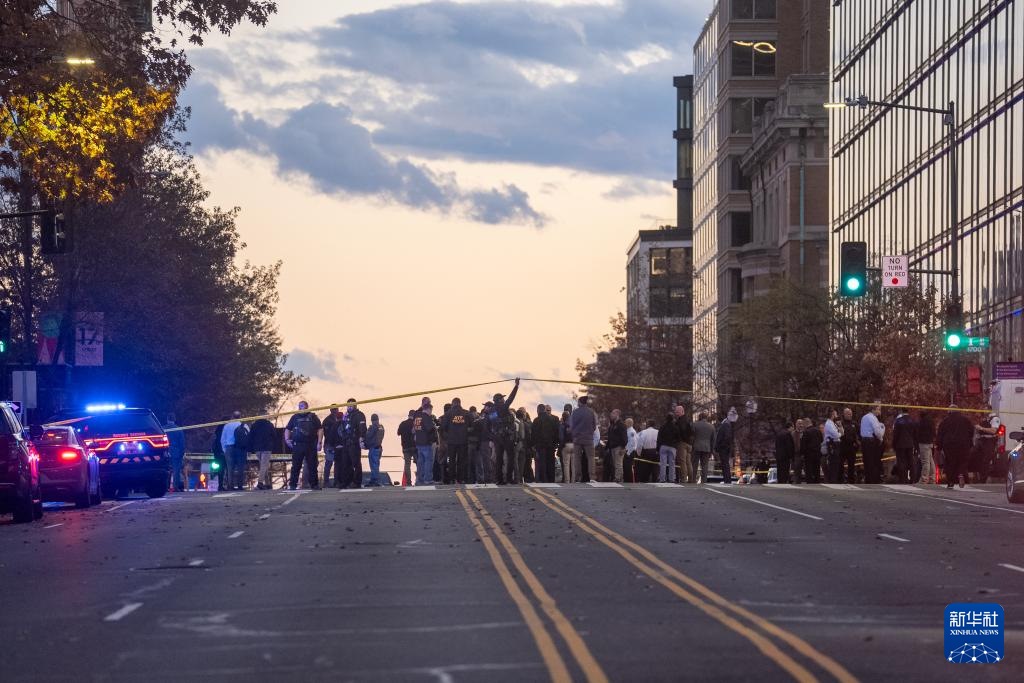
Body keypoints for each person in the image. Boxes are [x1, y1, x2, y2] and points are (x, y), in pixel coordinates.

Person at [483, 379, 521, 485]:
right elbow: (511, 398)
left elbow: (486, 427)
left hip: (497, 438)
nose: (504, 400)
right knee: (510, 458)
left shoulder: (491, 412)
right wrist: (516, 386)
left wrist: (492, 437)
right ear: (500, 400)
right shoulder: (503, 407)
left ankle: (499, 479)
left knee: (499, 459)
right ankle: (509, 478)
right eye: (502, 398)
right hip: (507, 437)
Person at [285, 401, 322, 490]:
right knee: (296, 466)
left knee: (312, 466)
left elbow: (320, 429)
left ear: (307, 406)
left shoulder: (313, 416)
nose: (301, 407)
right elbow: (288, 429)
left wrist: (319, 442)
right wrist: (287, 440)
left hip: (310, 445)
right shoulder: (295, 417)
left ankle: (314, 484)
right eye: (300, 406)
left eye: (303, 406)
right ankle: (292, 485)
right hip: (298, 445)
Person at [936, 405, 974, 488]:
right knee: (963, 461)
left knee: (950, 463)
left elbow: (940, 434)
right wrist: (969, 441)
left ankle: (950, 481)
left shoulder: (945, 421)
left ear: (949, 412)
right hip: (964, 444)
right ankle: (961, 474)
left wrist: (939, 446)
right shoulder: (966, 420)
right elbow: (972, 431)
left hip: (949, 445)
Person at [336, 400, 367, 489]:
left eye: (351, 405)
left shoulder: (359, 415)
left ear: (355, 406)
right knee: (346, 463)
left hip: (354, 442)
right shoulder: (346, 416)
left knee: (356, 463)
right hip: (346, 442)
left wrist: (361, 439)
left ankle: (357, 482)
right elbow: (342, 427)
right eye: (348, 406)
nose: (349, 407)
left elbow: (362, 428)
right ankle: (346, 482)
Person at [440, 398, 472, 484]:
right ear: (460, 403)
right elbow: (472, 426)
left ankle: (451, 479)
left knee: (450, 460)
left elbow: (443, 427)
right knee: (462, 461)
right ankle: (461, 479)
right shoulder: (466, 413)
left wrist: (446, 437)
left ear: (453, 404)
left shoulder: (448, 414)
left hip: (451, 442)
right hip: (463, 441)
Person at [570, 396, 598, 483]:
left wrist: (574, 434)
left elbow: (571, 426)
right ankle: (592, 477)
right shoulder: (591, 412)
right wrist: (590, 432)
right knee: (591, 458)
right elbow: (594, 425)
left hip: (577, 438)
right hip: (588, 438)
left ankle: (578, 478)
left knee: (577, 459)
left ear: (580, 402)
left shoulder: (575, 412)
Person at [532, 403, 560, 483]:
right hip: (551, 444)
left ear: (538, 410)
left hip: (540, 445)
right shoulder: (553, 419)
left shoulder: (536, 420)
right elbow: (556, 431)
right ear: (544, 410)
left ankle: (543, 479)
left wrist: (533, 444)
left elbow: (534, 434)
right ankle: (551, 479)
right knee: (550, 462)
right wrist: (556, 443)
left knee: (542, 462)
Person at [248, 413, 276, 490]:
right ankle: (260, 483)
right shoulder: (269, 424)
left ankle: (267, 483)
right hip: (267, 447)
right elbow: (274, 435)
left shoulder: (254, 425)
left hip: (257, 448)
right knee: (264, 465)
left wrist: (250, 449)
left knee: (263, 465)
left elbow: (250, 437)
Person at [221, 411, 248, 490]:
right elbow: (248, 437)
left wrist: (224, 449)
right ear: (240, 416)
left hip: (229, 447)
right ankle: (240, 485)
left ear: (232, 416)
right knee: (240, 467)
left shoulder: (227, 425)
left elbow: (222, 439)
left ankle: (230, 485)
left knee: (230, 468)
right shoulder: (244, 425)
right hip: (241, 448)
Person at [860, 403, 885, 484]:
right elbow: (878, 433)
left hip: (864, 441)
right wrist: (883, 429)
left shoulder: (864, 417)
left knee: (866, 462)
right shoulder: (873, 418)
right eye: (878, 409)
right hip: (871, 442)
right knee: (873, 462)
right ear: (873, 409)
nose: (879, 411)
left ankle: (868, 480)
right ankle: (873, 481)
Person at [413, 401, 437, 485]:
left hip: (419, 443)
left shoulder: (417, 417)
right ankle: (428, 479)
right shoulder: (426, 417)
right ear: (429, 409)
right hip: (426, 442)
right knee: (428, 461)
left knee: (420, 462)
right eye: (431, 410)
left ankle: (420, 479)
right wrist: (434, 428)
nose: (431, 412)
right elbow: (430, 428)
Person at [971, 414, 1000, 483]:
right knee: (977, 459)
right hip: (981, 441)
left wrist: (981, 428)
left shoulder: (995, 419)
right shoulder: (984, 419)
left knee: (985, 461)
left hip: (989, 442)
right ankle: (977, 477)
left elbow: (993, 431)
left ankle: (983, 479)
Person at [891, 409, 917, 485]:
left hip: (900, 444)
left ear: (901, 412)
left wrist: (894, 444)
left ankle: (903, 479)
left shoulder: (898, 421)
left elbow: (895, 434)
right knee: (911, 461)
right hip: (910, 444)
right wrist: (915, 444)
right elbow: (915, 434)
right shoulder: (912, 421)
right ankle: (912, 478)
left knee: (901, 461)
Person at [321, 407, 342, 487]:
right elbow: (324, 432)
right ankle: (327, 482)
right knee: (330, 463)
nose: (335, 411)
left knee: (336, 464)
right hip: (330, 445)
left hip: (333, 445)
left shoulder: (329, 420)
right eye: (334, 410)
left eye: (336, 409)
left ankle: (336, 481)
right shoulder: (327, 421)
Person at [691, 412, 715, 484]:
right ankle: (703, 481)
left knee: (694, 464)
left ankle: (693, 480)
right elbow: (713, 440)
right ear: (706, 418)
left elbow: (692, 437)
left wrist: (692, 446)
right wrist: (711, 451)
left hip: (696, 447)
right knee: (705, 465)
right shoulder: (711, 427)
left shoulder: (695, 425)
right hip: (707, 448)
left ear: (700, 417)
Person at [165, 414, 186, 492]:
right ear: (175, 419)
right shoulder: (179, 430)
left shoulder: (163, 429)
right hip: (176, 452)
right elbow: (182, 443)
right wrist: (182, 453)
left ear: (167, 419)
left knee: (166, 470)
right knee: (176, 471)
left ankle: (166, 487)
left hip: (166, 452)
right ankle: (175, 487)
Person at [657, 413, 680, 483]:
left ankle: (662, 479)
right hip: (672, 446)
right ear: (673, 419)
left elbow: (659, 438)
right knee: (672, 464)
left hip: (663, 446)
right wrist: (676, 445)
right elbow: (678, 438)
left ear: (666, 419)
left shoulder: (662, 427)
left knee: (663, 463)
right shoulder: (675, 427)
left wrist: (657, 448)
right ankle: (671, 478)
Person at [606, 409, 627, 484]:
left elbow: (624, 437)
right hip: (612, 447)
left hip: (619, 446)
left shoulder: (621, 425)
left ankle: (618, 478)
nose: (611, 415)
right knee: (615, 464)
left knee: (618, 463)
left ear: (617, 415)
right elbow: (610, 437)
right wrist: (607, 447)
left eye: (613, 413)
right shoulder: (612, 425)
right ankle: (619, 478)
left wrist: (623, 447)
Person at [674, 405, 695, 483]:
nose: (676, 413)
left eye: (677, 411)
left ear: (682, 411)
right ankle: (691, 479)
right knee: (688, 462)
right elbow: (692, 432)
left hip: (682, 443)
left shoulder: (680, 421)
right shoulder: (688, 420)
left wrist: (680, 439)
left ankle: (683, 478)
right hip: (689, 444)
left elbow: (681, 431)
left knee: (682, 462)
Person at [839, 408, 860, 484]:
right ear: (844, 414)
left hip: (852, 447)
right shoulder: (840, 423)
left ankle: (851, 481)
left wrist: (857, 443)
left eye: (851, 414)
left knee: (851, 465)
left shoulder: (854, 424)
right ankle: (840, 480)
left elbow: (859, 434)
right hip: (842, 447)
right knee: (840, 465)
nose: (850, 415)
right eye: (848, 414)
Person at [714, 411, 736, 484]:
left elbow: (726, 437)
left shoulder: (725, 424)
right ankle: (727, 479)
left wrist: (721, 445)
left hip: (724, 448)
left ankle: (727, 480)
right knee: (725, 464)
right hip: (725, 447)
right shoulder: (726, 424)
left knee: (725, 464)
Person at [801, 419, 824, 484]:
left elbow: (803, 444)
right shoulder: (818, 431)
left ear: (806, 423)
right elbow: (821, 440)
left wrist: (802, 453)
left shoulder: (806, 432)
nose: (803, 425)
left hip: (809, 454)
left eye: (803, 424)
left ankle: (810, 483)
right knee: (817, 469)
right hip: (817, 453)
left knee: (809, 470)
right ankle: (817, 482)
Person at [916, 411, 936, 484]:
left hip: (923, 443)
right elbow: (934, 432)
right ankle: (932, 478)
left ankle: (924, 479)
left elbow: (918, 433)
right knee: (930, 461)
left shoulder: (922, 422)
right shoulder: (931, 421)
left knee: (925, 462)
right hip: (930, 442)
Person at [823, 409, 843, 483]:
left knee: (836, 463)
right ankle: (832, 480)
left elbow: (842, 432)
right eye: (836, 414)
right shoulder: (828, 424)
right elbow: (836, 435)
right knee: (833, 463)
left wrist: (840, 426)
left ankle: (834, 479)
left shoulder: (833, 423)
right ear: (832, 415)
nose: (837, 416)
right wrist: (840, 434)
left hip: (836, 444)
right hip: (832, 444)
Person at [398, 410, 417, 486]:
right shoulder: (415, 424)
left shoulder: (403, 423)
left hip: (405, 447)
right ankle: (419, 480)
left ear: (408, 415)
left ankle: (409, 482)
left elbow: (398, 433)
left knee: (407, 465)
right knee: (418, 463)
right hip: (414, 447)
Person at [365, 414, 385, 486]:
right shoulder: (381, 427)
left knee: (373, 465)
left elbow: (368, 436)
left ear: (372, 420)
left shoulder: (373, 427)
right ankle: (375, 480)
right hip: (379, 448)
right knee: (376, 464)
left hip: (373, 448)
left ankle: (375, 480)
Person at [559, 408, 576, 483]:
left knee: (566, 464)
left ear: (563, 417)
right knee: (573, 465)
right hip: (574, 445)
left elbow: (561, 437)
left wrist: (562, 445)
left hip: (566, 445)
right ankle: (573, 480)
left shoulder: (562, 425)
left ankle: (567, 480)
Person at [210, 421, 227, 491]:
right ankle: (223, 485)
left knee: (220, 469)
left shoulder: (217, 431)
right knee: (224, 469)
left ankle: (220, 485)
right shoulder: (224, 430)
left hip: (216, 453)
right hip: (222, 452)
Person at [623, 417, 638, 483]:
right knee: (626, 467)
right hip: (627, 451)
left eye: (625, 422)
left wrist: (628, 452)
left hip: (630, 451)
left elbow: (632, 443)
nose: (624, 423)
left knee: (628, 467)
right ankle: (626, 480)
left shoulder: (631, 432)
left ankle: (629, 481)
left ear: (629, 423)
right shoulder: (628, 430)